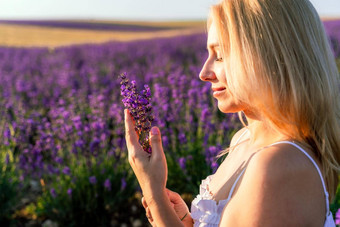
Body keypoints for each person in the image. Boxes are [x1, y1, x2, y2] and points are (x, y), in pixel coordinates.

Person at [124, 0, 340, 226]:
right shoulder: (244, 139)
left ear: (269, 56)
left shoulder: (278, 164)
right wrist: (186, 220)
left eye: (220, 56)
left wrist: (153, 193)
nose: (203, 73)